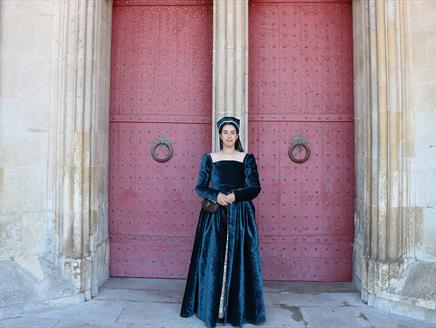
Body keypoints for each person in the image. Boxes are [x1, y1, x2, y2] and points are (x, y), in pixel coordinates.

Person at [180, 116, 266, 327]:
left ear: (237, 135)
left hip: (240, 216)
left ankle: (235, 309)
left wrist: (235, 196)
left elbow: (255, 187)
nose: (229, 136)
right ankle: (213, 308)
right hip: (215, 215)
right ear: (220, 135)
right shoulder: (209, 158)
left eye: (232, 132)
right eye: (225, 132)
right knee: (212, 259)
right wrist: (216, 195)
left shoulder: (247, 158)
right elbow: (200, 187)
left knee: (240, 259)